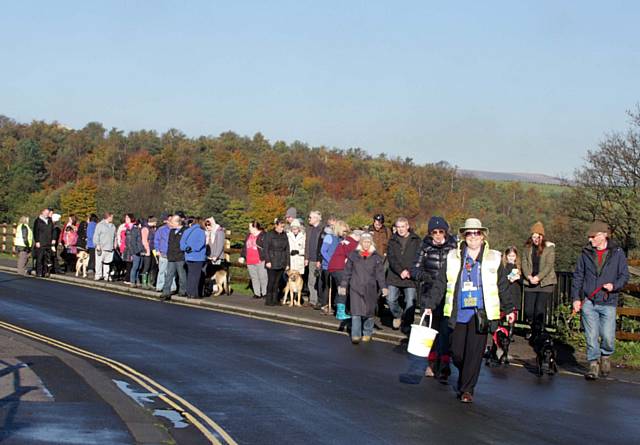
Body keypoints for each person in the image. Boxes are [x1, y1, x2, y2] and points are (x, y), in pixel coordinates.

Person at [424, 218, 515, 403]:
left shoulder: (494, 258)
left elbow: (503, 285)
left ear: (483, 236)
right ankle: (465, 372)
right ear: (464, 236)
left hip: (481, 313)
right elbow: (441, 283)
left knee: (474, 353)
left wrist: (509, 308)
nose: (473, 237)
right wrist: (430, 304)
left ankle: (467, 390)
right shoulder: (453, 257)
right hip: (459, 312)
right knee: (457, 352)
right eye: (469, 233)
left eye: (477, 233)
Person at [571, 221, 629, 380]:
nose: (590, 240)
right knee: (591, 336)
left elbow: (624, 275)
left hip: (608, 301)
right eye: (589, 237)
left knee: (608, 337)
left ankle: (606, 355)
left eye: (593, 236)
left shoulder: (617, 253)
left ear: (603, 235)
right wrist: (576, 298)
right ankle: (593, 365)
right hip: (589, 301)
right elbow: (578, 276)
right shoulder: (585, 253)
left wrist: (614, 285)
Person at [410, 216, 457, 381]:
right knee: (431, 331)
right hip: (429, 293)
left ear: (446, 232)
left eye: (441, 231)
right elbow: (414, 269)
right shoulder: (424, 246)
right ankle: (430, 363)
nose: (437, 235)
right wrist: (426, 277)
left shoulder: (454, 247)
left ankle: (444, 364)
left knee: (447, 331)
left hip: (448, 295)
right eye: (434, 232)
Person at [339, 233, 387, 344]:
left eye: (368, 242)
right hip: (355, 287)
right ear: (360, 243)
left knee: (368, 313)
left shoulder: (376, 257)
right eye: (364, 241)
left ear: (371, 243)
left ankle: (367, 332)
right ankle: (356, 335)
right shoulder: (353, 255)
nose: (366, 244)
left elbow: (380, 274)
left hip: (370, 288)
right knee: (356, 313)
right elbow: (347, 272)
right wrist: (343, 285)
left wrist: (383, 287)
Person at [386, 217, 422, 334]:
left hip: (410, 276)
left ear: (407, 226)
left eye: (403, 227)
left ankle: (407, 322)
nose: (400, 229)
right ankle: (398, 315)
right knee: (390, 300)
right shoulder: (392, 240)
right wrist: (400, 271)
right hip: (395, 275)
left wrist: (409, 271)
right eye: (398, 227)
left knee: (410, 301)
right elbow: (391, 258)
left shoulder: (416, 240)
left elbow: (419, 258)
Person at [521, 221, 557, 339]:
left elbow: (549, 265)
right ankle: (532, 326)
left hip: (545, 283)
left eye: (538, 236)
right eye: (533, 236)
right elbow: (524, 263)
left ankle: (538, 331)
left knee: (539, 309)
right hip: (530, 282)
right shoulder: (527, 248)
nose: (535, 239)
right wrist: (529, 277)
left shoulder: (549, 248)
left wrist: (538, 277)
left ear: (542, 236)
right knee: (528, 310)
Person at [329, 229, 363, 320]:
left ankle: (338, 308)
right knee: (343, 289)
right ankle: (340, 312)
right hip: (341, 268)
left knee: (340, 288)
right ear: (357, 236)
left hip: (334, 267)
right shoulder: (352, 244)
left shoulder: (345, 241)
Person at [318, 220, 347, 314]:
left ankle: (335, 305)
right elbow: (323, 251)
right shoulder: (329, 237)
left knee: (336, 286)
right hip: (328, 266)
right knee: (327, 286)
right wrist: (331, 261)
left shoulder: (341, 239)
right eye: (344, 231)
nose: (345, 233)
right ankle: (324, 305)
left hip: (338, 267)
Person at [262, 218, 290, 306]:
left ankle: (275, 299)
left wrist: (287, 263)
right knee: (271, 281)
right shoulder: (269, 235)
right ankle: (268, 299)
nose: (282, 228)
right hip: (272, 260)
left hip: (281, 260)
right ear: (276, 225)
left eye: (283, 227)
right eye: (281, 226)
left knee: (277, 282)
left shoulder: (284, 235)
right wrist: (268, 260)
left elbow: (287, 250)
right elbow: (265, 249)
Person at [161, 215, 188, 300]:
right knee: (169, 275)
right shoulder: (172, 231)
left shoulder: (185, 231)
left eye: (172, 222)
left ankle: (182, 291)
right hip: (171, 256)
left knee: (181, 275)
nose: (170, 224)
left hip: (180, 257)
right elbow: (169, 244)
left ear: (177, 222)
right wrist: (168, 254)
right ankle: (166, 292)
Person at [239, 221, 268, 299]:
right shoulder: (248, 235)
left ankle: (265, 293)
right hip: (250, 260)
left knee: (263, 277)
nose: (249, 229)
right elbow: (245, 247)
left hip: (260, 259)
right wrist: (242, 256)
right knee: (254, 277)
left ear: (255, 227)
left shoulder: (263, 235)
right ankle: (257, 293)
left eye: (250, 227)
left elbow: (266, 247)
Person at [181, 217, 207, 298]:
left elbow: (182, 243)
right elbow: (201, 244)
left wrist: (187, 248)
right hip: (198, 256)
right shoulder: (201, 232)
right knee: (196, 276)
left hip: (188, 256)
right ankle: (194, 293)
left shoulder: (187, 231)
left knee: (190, 275)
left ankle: (189, 292)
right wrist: (193, 248)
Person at [304, 210, 324, 307]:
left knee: (319, 281)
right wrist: (306, 257)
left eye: (310, 217)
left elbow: (322, 246)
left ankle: (320, 301)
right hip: (311, 259)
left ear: (316, 218)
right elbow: (307, 244)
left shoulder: (323, 230)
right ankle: (313, 300)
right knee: (311, 280)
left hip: (319, 259)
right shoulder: (309, 229)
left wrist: (319, 259)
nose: (309, 219)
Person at [154, 214, 176, 293]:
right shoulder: (161, 229)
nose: (171, 222)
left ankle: (172, 287)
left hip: (172, 254)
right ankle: (160, 287)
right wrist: (157, 250)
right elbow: (156, 240)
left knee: (171, 272)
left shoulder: (176, 229)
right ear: (167, 221)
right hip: (163, 253)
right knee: (162, 271)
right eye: (169, 220)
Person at [93, 212, 116, 281]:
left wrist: (115, 244)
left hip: (110, 248)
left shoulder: (113, 226)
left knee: (107, 263)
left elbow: (115, 236)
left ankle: (106, 275)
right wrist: (97, 244)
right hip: (101, 247)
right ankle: (98, 275)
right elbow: (96, 235)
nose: (112, 218)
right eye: (111, 217)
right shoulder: (100, 225)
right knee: (99, 262)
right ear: (108, 217)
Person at [33, 208, 53, 277]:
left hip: (48, 242)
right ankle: (39, 272)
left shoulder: (50, 220)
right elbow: (35, 232)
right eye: (46, 212)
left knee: (47, 258)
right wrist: (37, 241)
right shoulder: (38, 221)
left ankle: (45, 271)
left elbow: (52, 231)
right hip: (41, 242)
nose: (47, 214)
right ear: (42, 212)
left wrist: (52, 239)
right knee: (40, 258)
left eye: (48, 213)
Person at [124, 217, 144, 286]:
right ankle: (132, 281)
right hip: (136, 251)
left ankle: (137, 280)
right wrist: (136, 251)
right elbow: (133, 242)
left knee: (139, 267)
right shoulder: (135, 230)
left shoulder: (136, 230)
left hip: (139, 250)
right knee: (135, 266)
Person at [502, 246, 523, 315]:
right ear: (506, 256)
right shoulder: (503, 266)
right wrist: (508, 279)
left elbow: (523, 281)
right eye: (509, 256)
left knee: (513, 315)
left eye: (513, 256)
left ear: (516, 256)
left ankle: (511, 326)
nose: (511, 258)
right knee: (502, 314)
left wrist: (518, 278)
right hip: (505, 293)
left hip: (515, 294)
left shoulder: (519, 267)